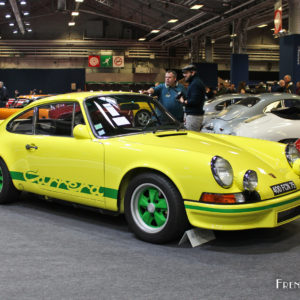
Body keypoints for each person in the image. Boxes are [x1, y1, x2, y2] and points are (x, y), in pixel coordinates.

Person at [179, 64, 206, 131]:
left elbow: (194, 101)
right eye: (183, 73)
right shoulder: (194, 82)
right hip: (193, 115)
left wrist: (183, 101)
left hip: (194, 116)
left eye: (186, 73)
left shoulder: (195, 84)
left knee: (191, 137)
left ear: (193, 73)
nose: (184, 75)